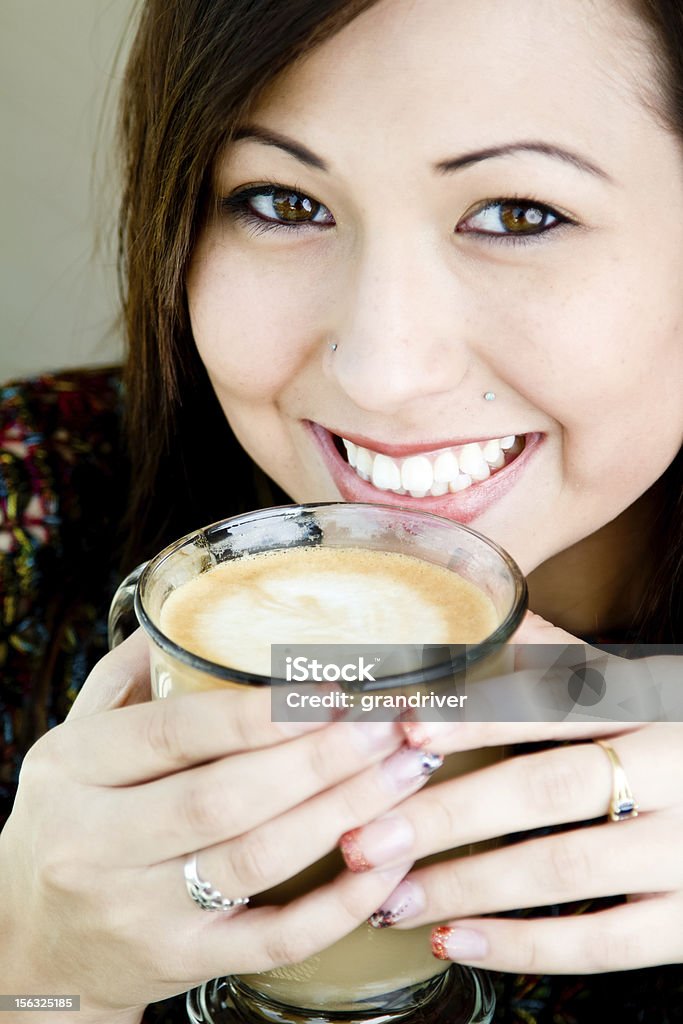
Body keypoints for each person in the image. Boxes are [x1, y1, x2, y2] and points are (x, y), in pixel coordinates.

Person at [0, 0, 682, 1021]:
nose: (382, 371)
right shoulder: (33, 496)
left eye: (517, 215)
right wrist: (44, 981)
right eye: (281, 202)